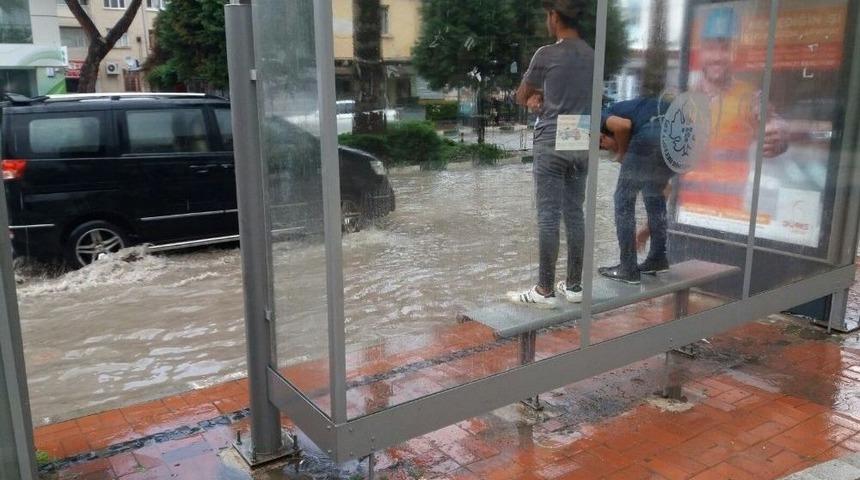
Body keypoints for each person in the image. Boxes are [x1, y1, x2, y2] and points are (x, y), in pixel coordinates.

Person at [508, 0, 594, 308]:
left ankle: (544, 289)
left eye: (548, 15)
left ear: (554, 17)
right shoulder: (592, 55)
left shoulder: (546, 54)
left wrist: (536, 98)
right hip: (580, 135)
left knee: (548, 216)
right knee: (575, 213)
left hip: (552, 136)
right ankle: (574, 286)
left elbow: (521, 95)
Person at [677, 6, 788, 224]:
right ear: (701, 52)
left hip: (727, 215)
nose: (717, 57)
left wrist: (781, 133)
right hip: (684, 212)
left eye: (725, 48)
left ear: (735, 52)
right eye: (710, 48)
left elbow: (773, 122)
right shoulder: (685, 96)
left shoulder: (749, 97)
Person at [598, 95, 673, 285]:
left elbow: (623, 126)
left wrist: (622, 153)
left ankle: (628, 268)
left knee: (623, 199)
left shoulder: (602, 115)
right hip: (673, 139)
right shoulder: (637, 109)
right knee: (653, 193)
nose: (604, 148)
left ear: (603, 135)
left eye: (602, 144)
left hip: (650, 135)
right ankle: (657, 258)